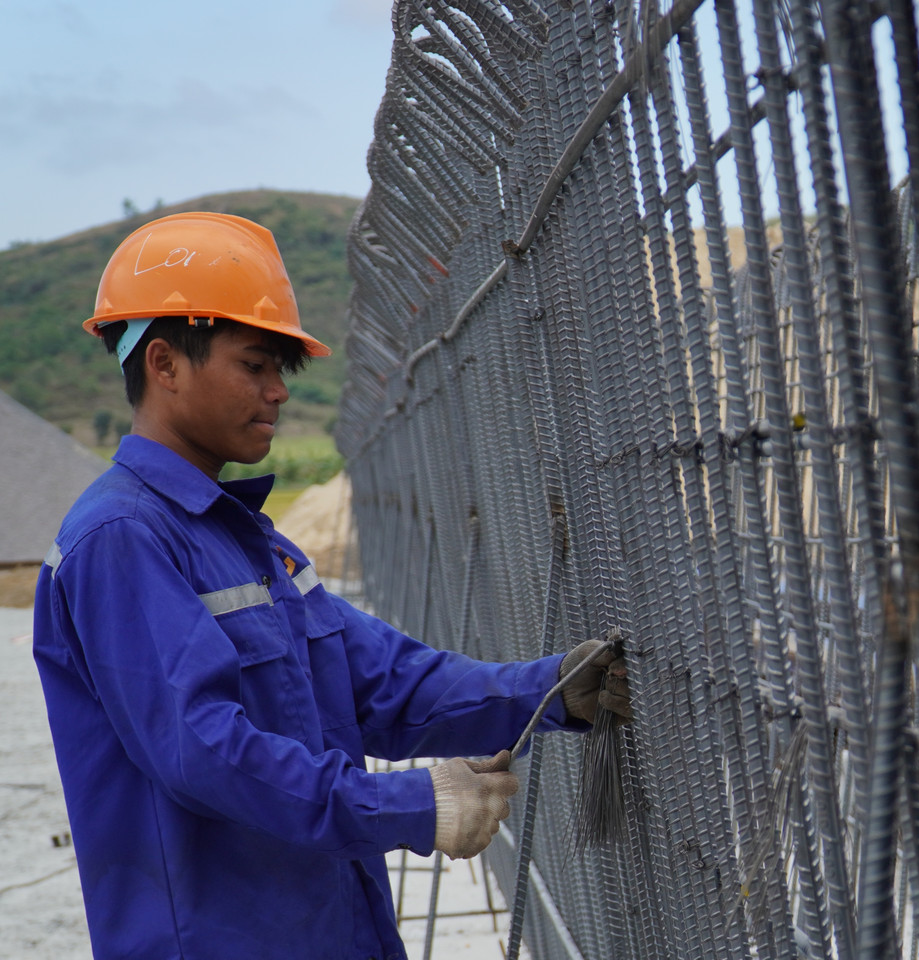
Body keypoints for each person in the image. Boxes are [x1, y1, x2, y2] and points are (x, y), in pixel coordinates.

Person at [31, 211, 631, 960]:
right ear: (164, 363)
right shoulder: (121, 539)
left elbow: (384, 682)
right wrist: (409, 803)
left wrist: (549, 690)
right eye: (255, 365)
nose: (278, 392)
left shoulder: (248, 541)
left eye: (280, 371)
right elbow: (204, 751)